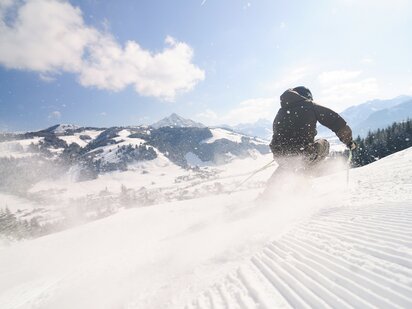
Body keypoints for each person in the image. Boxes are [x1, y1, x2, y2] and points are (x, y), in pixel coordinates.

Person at [264, 86, 356, 190]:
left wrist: (283, 150)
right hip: (304, 152)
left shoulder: (281, 112)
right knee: (324, 144)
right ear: (307, 97)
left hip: (280, 154)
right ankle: (303, 183)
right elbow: (334, 121)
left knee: (287, 165)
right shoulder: (309, 106)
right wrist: (349, 141)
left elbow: (278, 134)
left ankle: (268, 193)